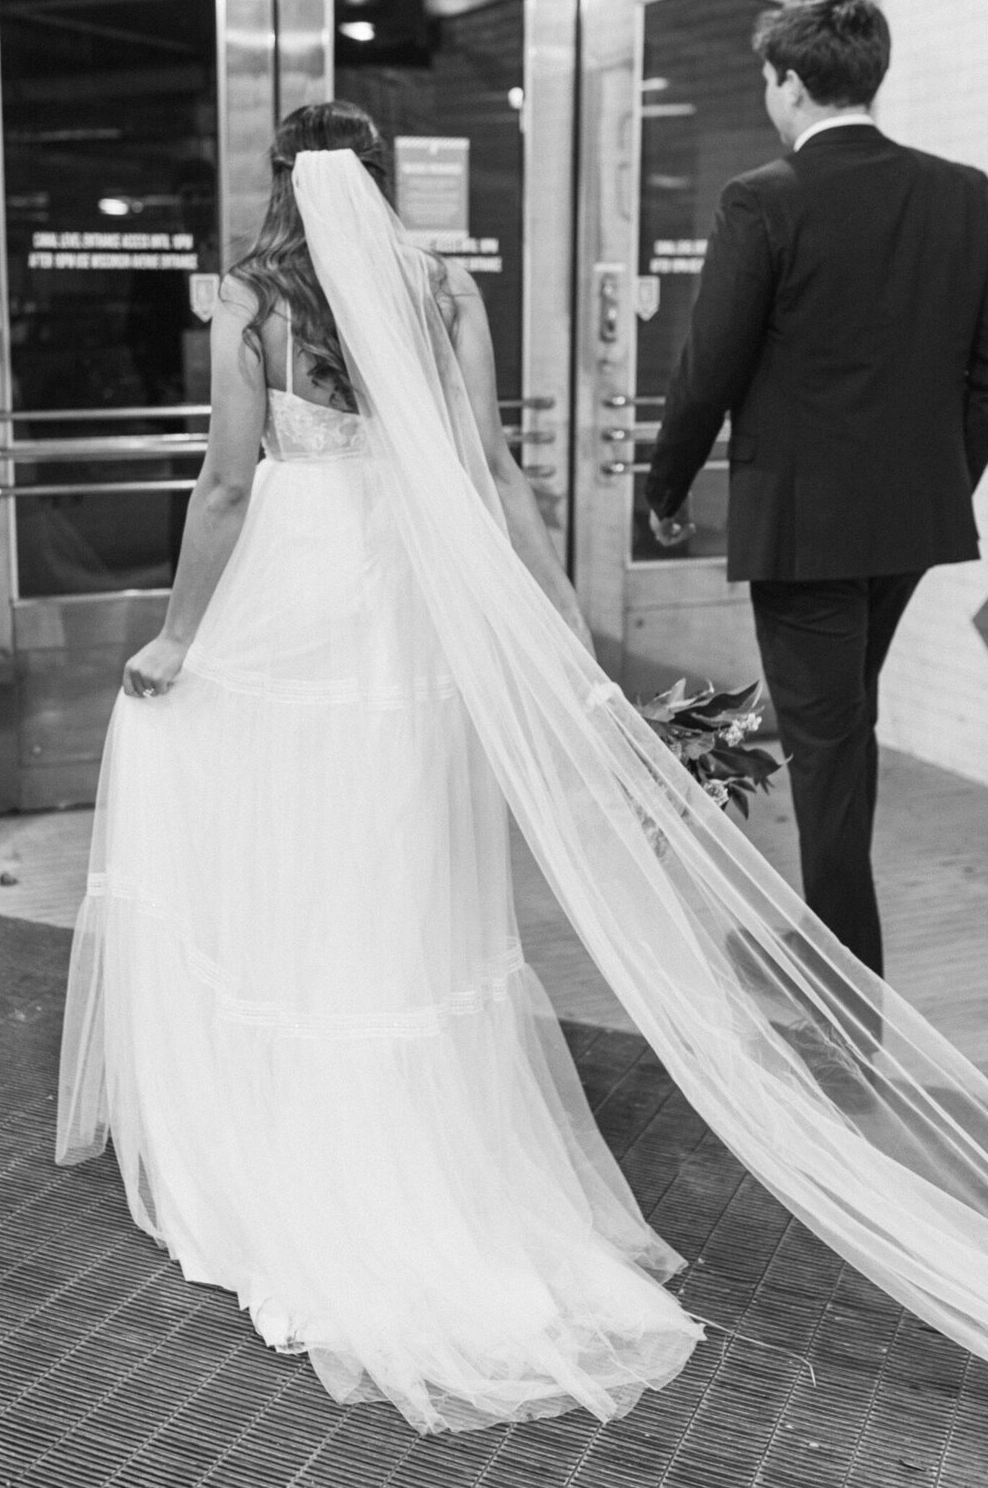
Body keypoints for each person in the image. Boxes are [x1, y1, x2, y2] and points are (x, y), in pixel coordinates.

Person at [58, 101, 988, 1436]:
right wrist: (563, 637)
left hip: (292, 619)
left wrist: (172, 637)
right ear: (380, 182)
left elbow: (222, 485)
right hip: (412, 627)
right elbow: (495, 474)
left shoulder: (253, 306)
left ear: (282, 186)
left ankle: (295, 1147)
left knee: (289, 872)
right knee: (405, 884)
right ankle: (425, 1151)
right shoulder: (441, 291)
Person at [646, 0, 988, 978]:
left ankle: (847, 987)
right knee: (841, 725)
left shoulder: (766, 197)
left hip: (804, 530)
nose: (767, 96)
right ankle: (822, 942)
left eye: (766, 81)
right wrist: (940, 481)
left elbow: (710, 362)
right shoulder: (966, 194)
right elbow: (984, 374)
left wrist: (666, 490)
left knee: (826, 744)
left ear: (792, 84)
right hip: (910, 522)